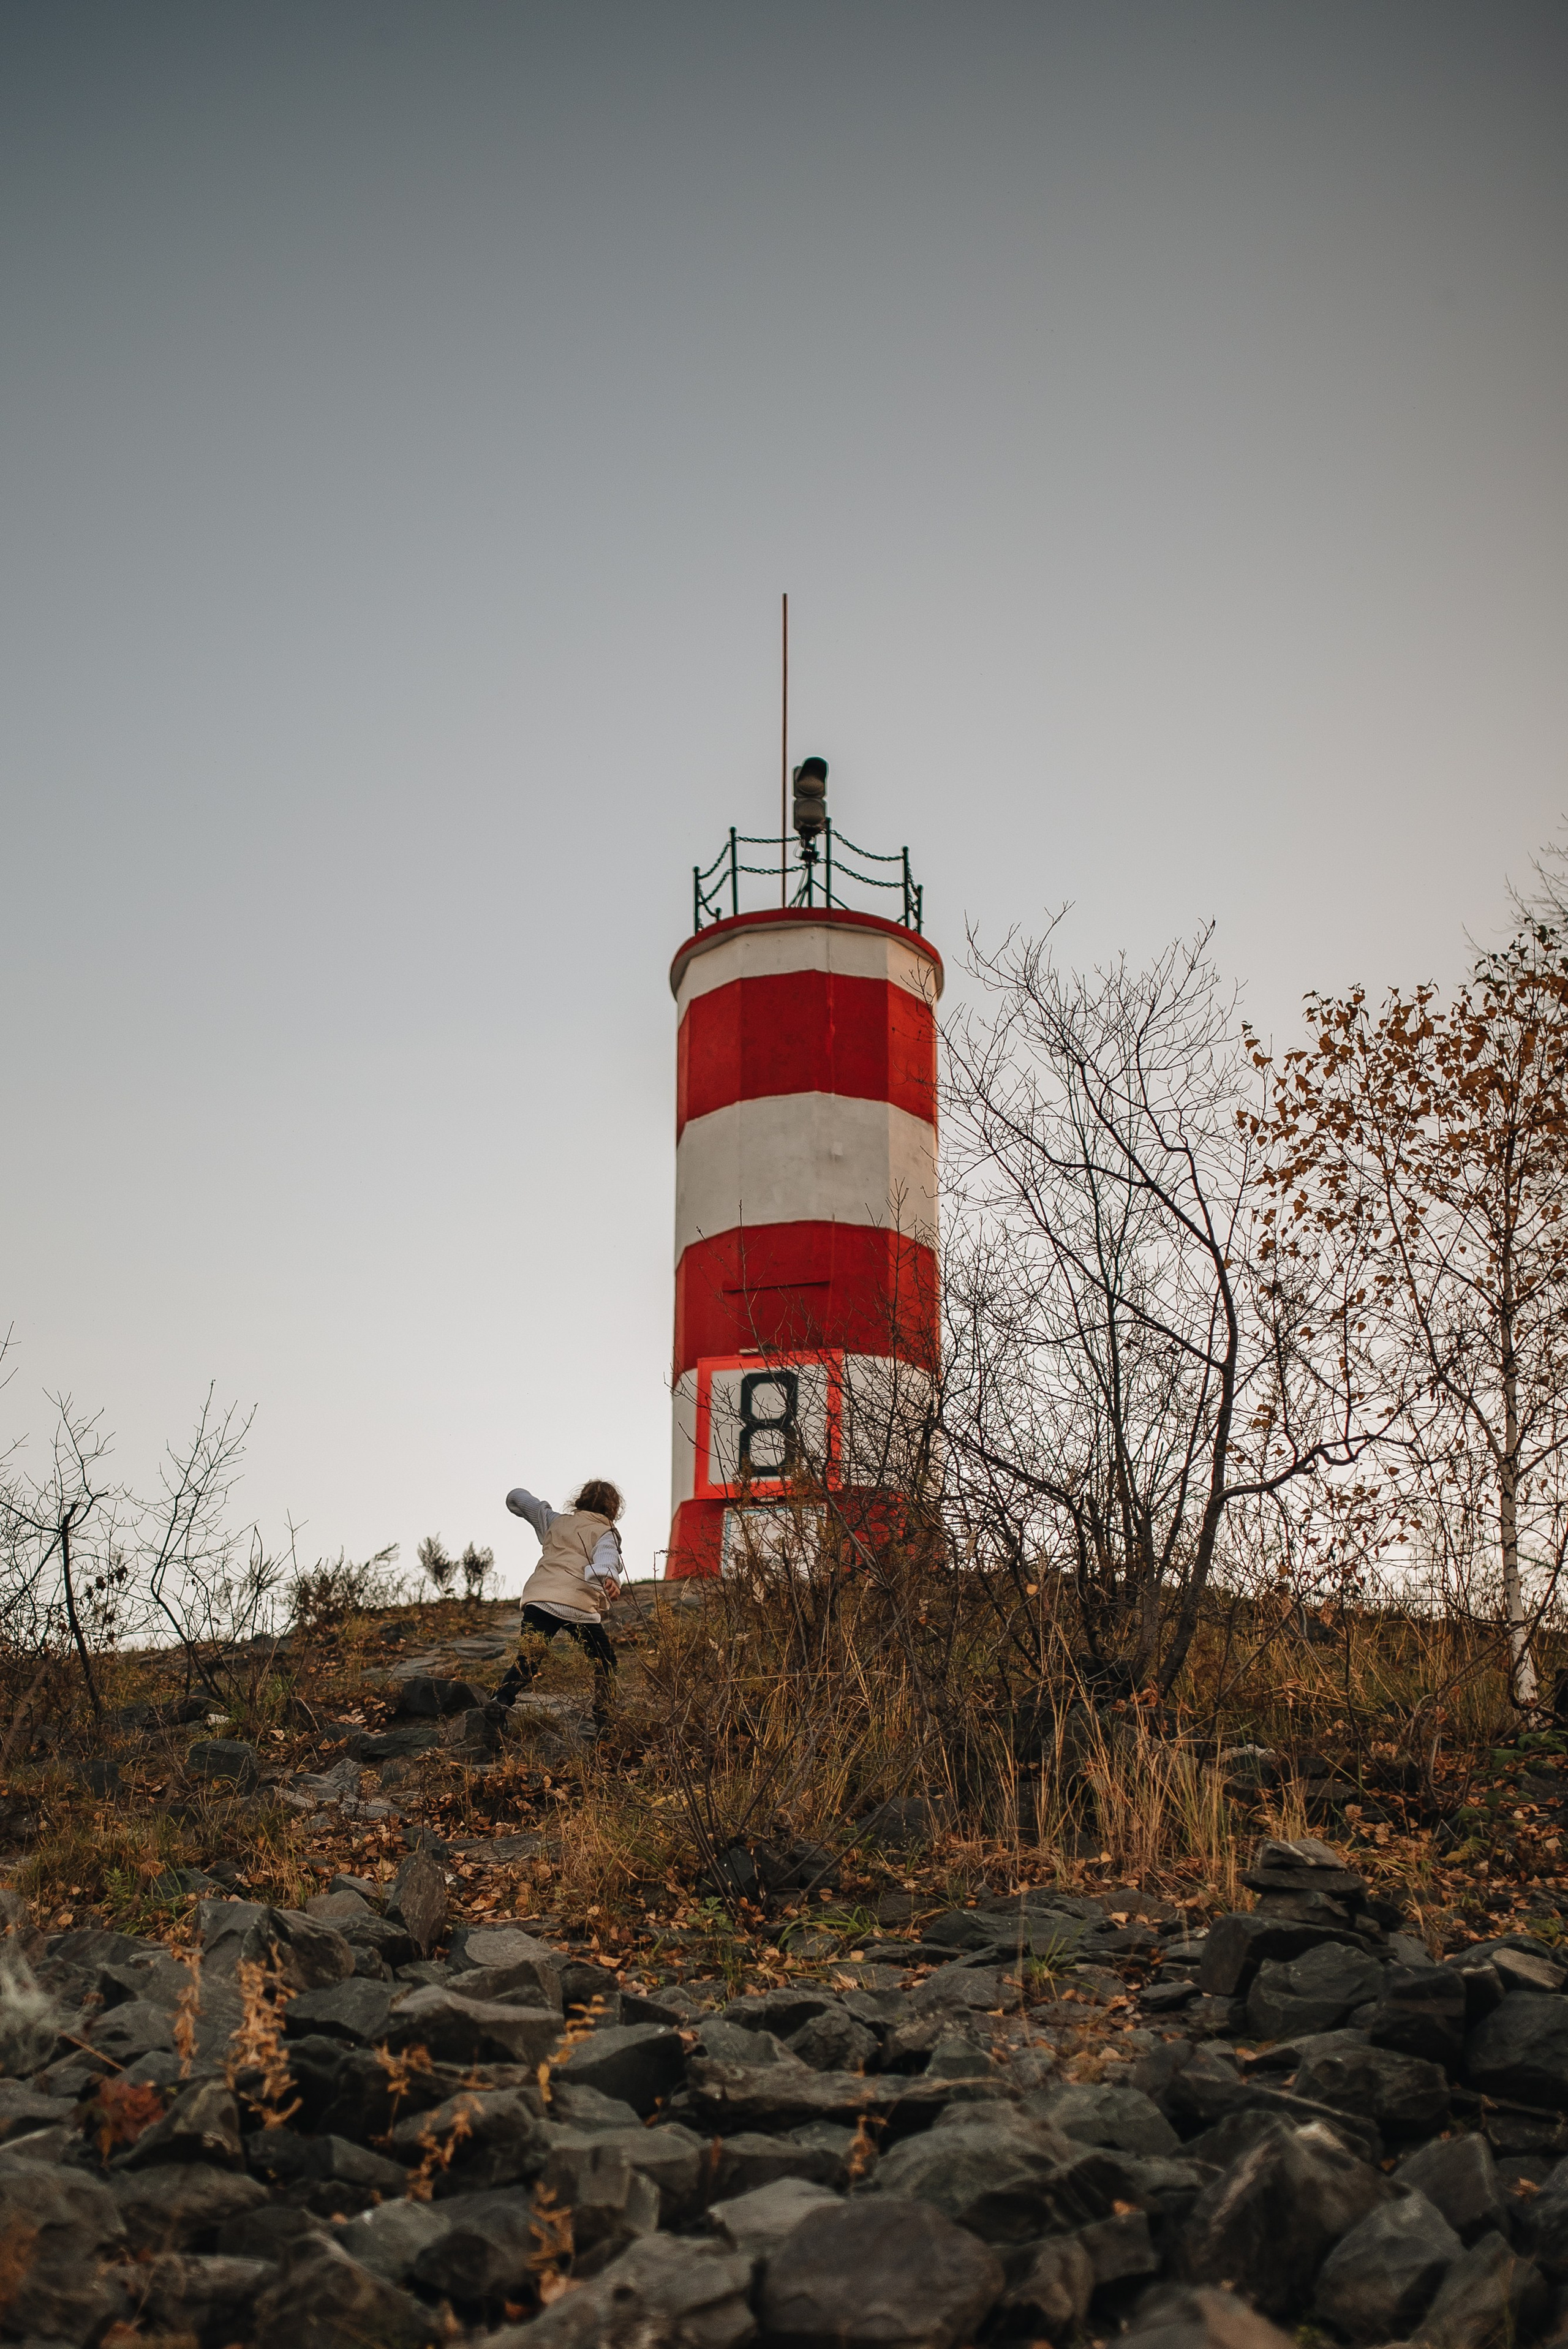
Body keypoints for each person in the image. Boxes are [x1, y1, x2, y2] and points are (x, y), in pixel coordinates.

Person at [496, 1477, 624, 1725]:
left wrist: (515, 1496)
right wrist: (608, 1577)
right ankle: (604, 1717)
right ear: (614, 1510)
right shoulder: (606, 1532)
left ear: (579, 1500)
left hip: (541, 1599)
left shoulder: (556, 1521)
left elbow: (527, 1503)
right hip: (577, 1606)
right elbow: (606, 1555)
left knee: (529, 1661)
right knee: (605, 1661)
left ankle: (500, 1701)